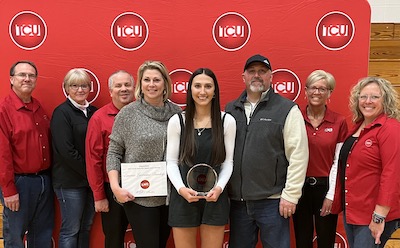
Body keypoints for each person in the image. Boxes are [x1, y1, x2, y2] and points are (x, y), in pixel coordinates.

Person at [225, 54, 309, 248]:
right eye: (252, 71)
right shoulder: (231, 109)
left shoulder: (286, 109)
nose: (257, 75)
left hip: (273, 202)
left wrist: (291, 195)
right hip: (238, 202)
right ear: (243, 77)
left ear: (271, 77)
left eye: (262, 72)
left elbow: (298, 154)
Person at [107, 60, 181, 248]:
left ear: (165, 83)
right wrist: (116, 188)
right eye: (146, 79)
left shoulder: (177, 113)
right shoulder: (128, 113)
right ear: (140, 84)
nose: (151, 84)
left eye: (156, 79)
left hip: (169, 196)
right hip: (139, 196)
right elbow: (114, 152)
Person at [166, 68, 236, 248]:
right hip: (183, 197)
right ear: (190, 90)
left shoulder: (227, 121)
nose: (202, 91)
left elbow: (228, 162)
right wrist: (181, 189)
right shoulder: (177, 121)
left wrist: (219, 188)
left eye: (208, 86)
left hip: (215, 196)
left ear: (215, 91)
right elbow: (171, 162)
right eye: (197, 86)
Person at [332, 76, 400, 248]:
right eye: (363, 96)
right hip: (353, 211)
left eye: (375, 97)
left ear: (386, 100)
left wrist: (379, 216)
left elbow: (392, 174)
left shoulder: (390, 129)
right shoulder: (358, 126)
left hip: (373, 215)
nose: (367, 101)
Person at [0, 60, 54, 247]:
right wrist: (8, 190)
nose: (27, 79)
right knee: (15, 237)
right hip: (19, 183)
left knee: (42, 235)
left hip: (44, 181)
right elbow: (2, 154)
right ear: (11, 79)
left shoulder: (38, 108)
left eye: (31, 76)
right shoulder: (4, 110)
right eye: (22, 75)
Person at [293, 70, 348, 248]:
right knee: (302, 240)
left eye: (322, 89)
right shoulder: (294, 117)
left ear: (329, 93)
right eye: (313, 88)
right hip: (298, 187)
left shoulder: (339, 121)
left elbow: (338, 161)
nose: (317, 92)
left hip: (326, 187)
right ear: (306, 90)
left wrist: (331, 195)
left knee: (326, 240)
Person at [85, 70, 135, 248]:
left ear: (134, 88)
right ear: (110, 90)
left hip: (142, 187)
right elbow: (93, 160)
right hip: (111, 190)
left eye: (127, 85)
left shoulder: (143, 114)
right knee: (113, 239)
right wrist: (99, 196)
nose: (124, 89)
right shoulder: (99, 118)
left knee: (147, 237)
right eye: (118, 85)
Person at [51, 68, 97, 248]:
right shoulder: (62, 113)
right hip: (69, 182)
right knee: (71, 230)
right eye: (74, 86)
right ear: (66, 88)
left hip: (90, 183)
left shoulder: (94, 111)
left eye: (84, 85)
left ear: (90, 87)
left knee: (85, 227)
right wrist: (90, 172)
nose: (80, 90)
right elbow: (66, 151)